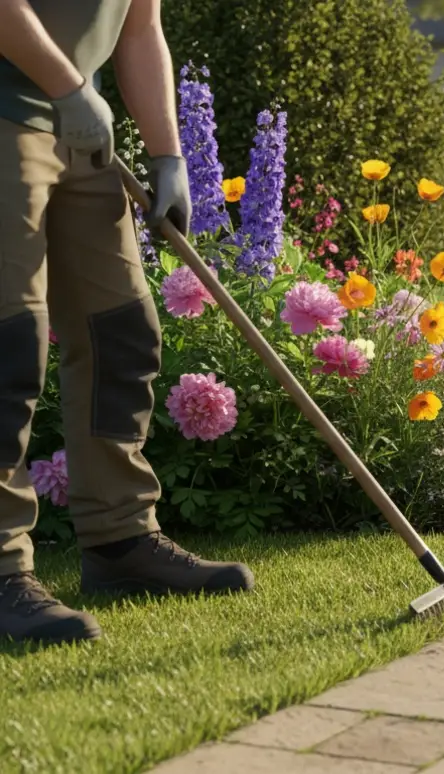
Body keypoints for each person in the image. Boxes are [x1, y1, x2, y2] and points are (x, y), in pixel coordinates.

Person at [0, 0, 254, 645]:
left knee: (121, 333)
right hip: (10, 120)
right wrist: (70, 87)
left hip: (80, 128)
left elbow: (140, 26)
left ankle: (120, 542)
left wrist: (170, 156)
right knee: (8, 344)